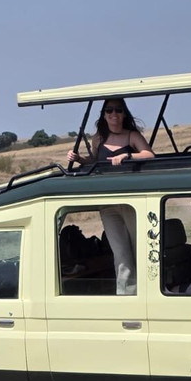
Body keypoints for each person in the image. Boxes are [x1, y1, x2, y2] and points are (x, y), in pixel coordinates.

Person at [66, 99, 155, 295]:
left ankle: (150, 293)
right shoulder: (98, 139)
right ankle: (126, 298)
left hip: (132, 202)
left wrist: (127, 157)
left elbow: (149, 154)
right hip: (108, 203)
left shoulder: (132, 135)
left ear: (124, 114)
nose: (113, 114)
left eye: (118, 110)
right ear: (104, 115)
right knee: (120, 254)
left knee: (141, 249)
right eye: (109, 110)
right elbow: (95, 161)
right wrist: (79, 159)